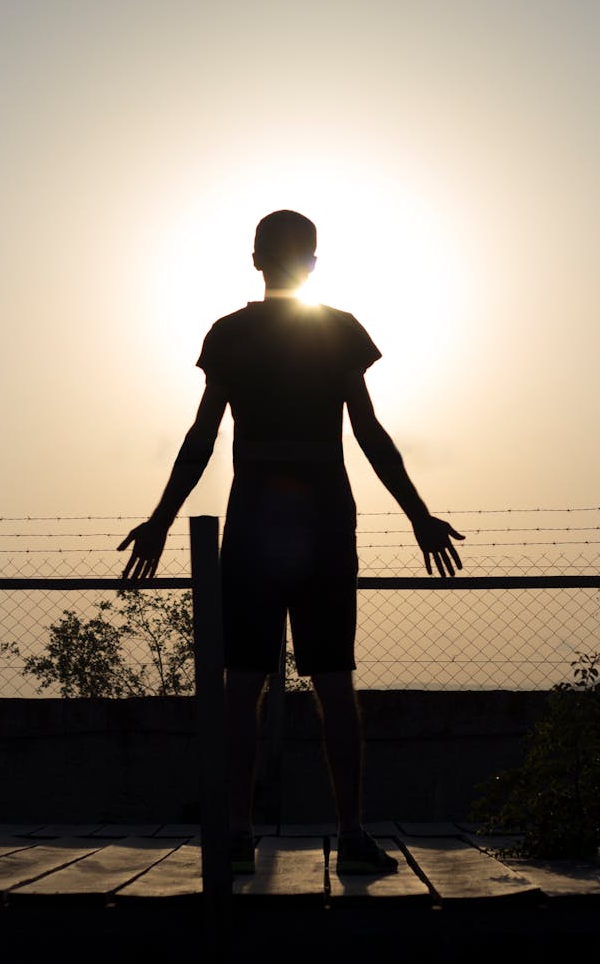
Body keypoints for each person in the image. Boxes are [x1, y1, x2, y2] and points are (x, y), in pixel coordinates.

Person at [119, 209, 464, 874]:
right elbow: (368, 431)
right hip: (322, 522)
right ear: (311, 261)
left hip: (258, 520)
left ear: (255, 259)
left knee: (247, 683)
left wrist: (162, 518)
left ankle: (242, 833)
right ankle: (349, 834)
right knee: (328, 680)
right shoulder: (333, 331)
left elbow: (203, 437)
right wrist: (417, 513)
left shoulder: (235, 333)